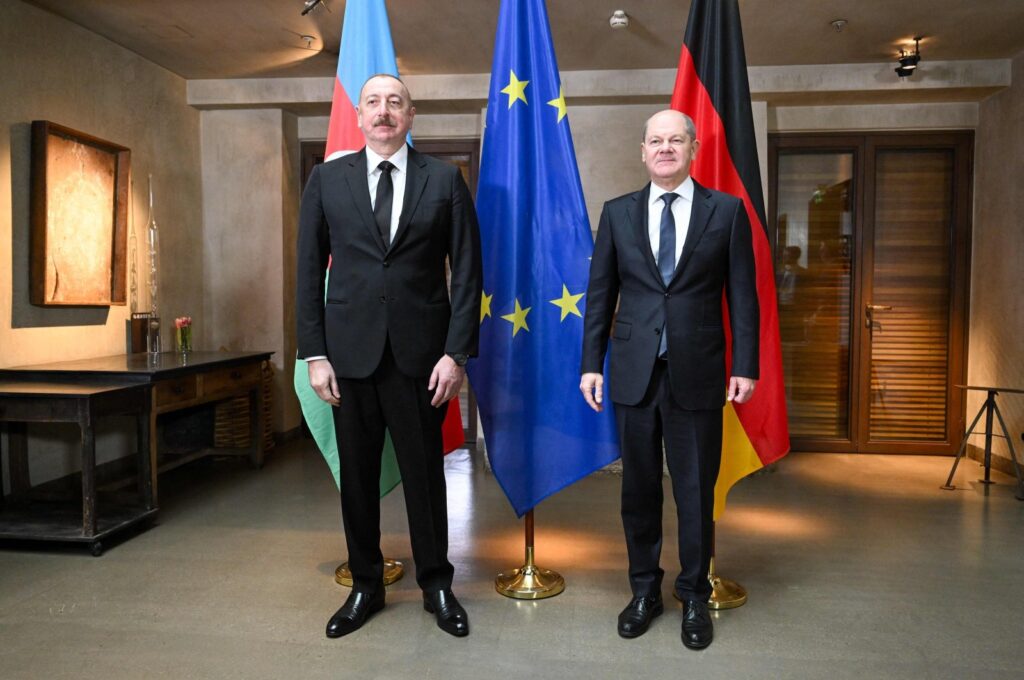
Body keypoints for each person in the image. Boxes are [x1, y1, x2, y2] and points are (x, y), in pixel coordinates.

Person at [296, 74, 482, 639]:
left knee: (427, 477)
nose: (384, 112)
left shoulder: (444, 179)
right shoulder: (327, 179)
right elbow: (308, 271)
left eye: (394, 103)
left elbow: (469, 272)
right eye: (374, 103)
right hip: (347, 360)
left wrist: (456, 354)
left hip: (421, 361)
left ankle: (437, 585)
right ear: (359, 114)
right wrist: (315, 354)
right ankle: (366, 585)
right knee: (356, 478)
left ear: (411, 114)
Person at [579, 109, 758, 650]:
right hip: (633, 374)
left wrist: (744, 365)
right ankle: (643, 592)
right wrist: (591, 363)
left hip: (698, 372)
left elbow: (743, 296)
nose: (664, 148)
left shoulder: (726, 212)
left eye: (674, 140)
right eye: (655, 140)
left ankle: (694, 597)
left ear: (693, 148)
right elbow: (600, 296)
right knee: (637, 491)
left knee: (694, 492)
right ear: (642, 151)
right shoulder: (617, 213)